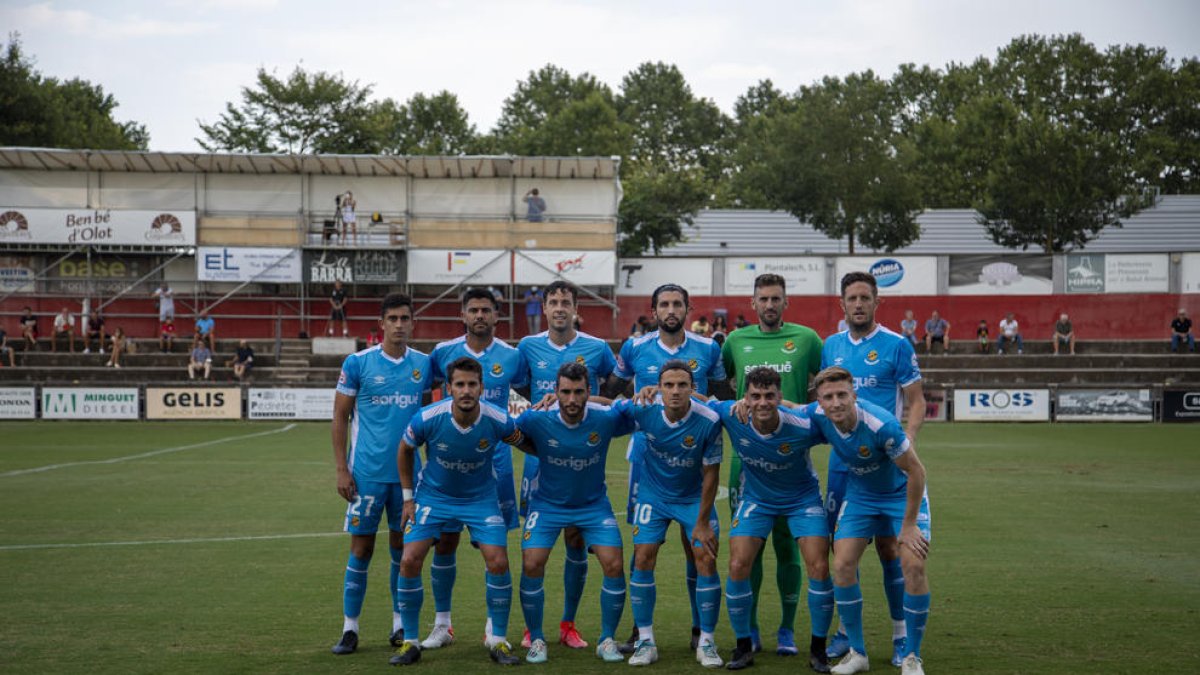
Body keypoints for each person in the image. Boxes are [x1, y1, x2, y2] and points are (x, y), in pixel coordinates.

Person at [392, 357, 533, 667]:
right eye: (460, 384)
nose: (466, 390)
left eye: (472, 384)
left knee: (498, 561)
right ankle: (410, 642)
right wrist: (408, 499)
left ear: (482, 387)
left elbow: (526, 443)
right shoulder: (428, 417)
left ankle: (497, 640)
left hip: (480, 499)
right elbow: (404, 450)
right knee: (409, 559)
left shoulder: (498, 419)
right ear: (449, 388)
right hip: (434, 497)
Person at [611, 283, 727, 654]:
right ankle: (639, 630)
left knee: (697, 547)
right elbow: (613, 390)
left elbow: (723, 395)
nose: (671, 310)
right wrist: (638, 396)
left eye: (678, 303)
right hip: (647, 460)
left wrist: (704, 400)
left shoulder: (709, 348)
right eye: (664, 304)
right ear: (654, 310)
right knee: (643, 546)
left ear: (688, 309)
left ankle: (699, 628)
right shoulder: (634, 347)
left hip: (694, 457)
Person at [821, 271, 926, 667]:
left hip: (885, 460)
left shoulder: (896, 345)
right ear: (842, 304)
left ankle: (900, 635)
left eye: (865, 297)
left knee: (888, 549)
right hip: (843, 465)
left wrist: (908, 438)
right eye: (852, 298)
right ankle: (846, 633)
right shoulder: (830, 345)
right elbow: (821, 400)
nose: (859, 304)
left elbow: (916, 399)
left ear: (877, 302)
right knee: (842, 551)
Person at [719, 272, 823, 656]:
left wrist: (800, 408)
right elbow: (722, 383)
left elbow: (826, 382)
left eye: (776, 298)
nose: (769, 305)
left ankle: (787, 629)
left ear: (785, 302)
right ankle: (750, 629)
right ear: (753, 303)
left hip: (792, 459)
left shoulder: (807, 339)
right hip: (746, 462)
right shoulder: (735, 341)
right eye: (763, 299)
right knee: (748, 550)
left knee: (787, 546)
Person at [423, 287, 529, 649]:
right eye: (473, 310)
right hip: (448, 467)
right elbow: (425, 397)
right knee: (444, 543)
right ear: (463, 315)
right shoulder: (443, 353)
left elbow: (532, 395)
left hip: (494, 466)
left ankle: (492, 627)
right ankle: (442, 625)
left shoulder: (513, 356)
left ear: (497, 315)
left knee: (493, 549)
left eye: (486, 310)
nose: (480, 315)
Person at [808, 367, 931, 675]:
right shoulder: (818, 415)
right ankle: (858, 653)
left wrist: (909, 525)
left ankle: (912, 656)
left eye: (842, 395)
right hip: (861, 496)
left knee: (914, 565)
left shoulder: (881, 424)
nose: (836, 402)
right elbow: (789, 408)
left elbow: (916, 471)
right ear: (819, 401)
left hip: (901, 494)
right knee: (842, 565)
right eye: (828, 397)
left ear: (854, 395)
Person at [515, 280, 617, 651]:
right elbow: (521, 388)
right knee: (534, 551)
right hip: (540, 461)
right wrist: (544, 409)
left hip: (580, 459)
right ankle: (532, 629)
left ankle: (568, 624)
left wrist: (581, 404)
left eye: (566, 302)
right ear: (544, 308)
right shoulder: (527, 346)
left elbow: (612, 389)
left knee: (576, 540)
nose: (559, 308)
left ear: (576, 308)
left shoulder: (598, 347)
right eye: (553, 302)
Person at [329, 293, 432, 656]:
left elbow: (427, 420)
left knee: (403, 551)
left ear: (413, 323)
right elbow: (340, 416)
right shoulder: (358, 363)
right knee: (361, 548)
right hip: (367, 475)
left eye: (405, 318)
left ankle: (399, 624)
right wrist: (341, 469)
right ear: (381, 323)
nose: (399, 325)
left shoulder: (424, 365)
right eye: (393, 319)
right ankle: (350, 628)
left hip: (409, 479)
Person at [713, 367, 833, 672]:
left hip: (802, 500)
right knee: (738, 564)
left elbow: (838, 420)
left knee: (819, 566)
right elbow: (694, 400)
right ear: (746, 398)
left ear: (780, 397)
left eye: (769, 395)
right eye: (755, 396)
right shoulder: (732, 415)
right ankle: (743, 646)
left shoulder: (803, 424)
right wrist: (652, 391)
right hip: (757, 499)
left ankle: (818, 649)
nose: (763, 402)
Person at [512, 362, 633, 664]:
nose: (572, 399)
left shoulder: (605, 418)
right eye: (565, 392)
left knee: (614, 564)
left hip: (593, 506)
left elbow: (634, 410)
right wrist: (537, 449)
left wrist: (642, 393)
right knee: (532, 562)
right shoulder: (536, 418)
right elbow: (508, 432)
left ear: (589, 391)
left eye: (579, 392)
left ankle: (606, 639)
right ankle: (536, 638)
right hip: (547, 505)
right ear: (555, 392)